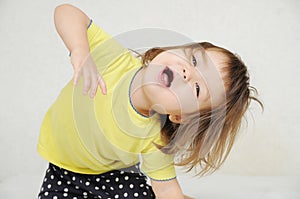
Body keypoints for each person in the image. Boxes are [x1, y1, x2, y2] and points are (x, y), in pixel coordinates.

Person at [37, 4, 262, 199]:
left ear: (180, 116)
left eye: (196, 88)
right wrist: (79, 49)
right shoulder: (114, 60)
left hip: (113, 176)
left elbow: (165, 190)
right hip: (62, 171)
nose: (187, 72)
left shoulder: (155, 137)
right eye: (193, 59)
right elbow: (66, 12)